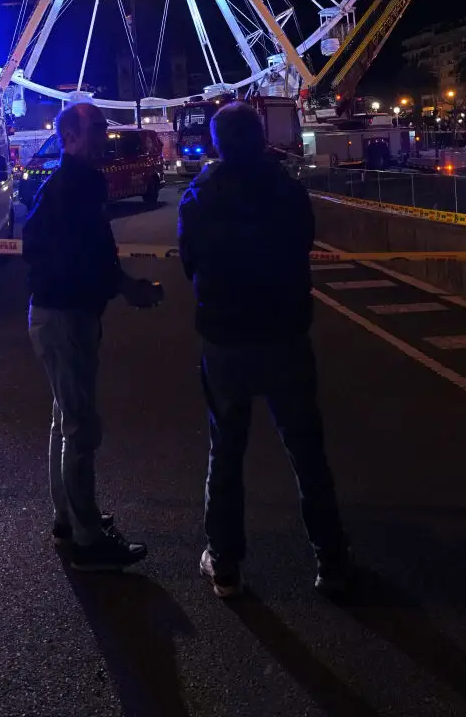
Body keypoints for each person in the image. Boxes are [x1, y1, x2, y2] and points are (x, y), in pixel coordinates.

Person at [178, 102, 351, 599]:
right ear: (259, 138)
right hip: (283, 333)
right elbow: (303, 243)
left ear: (216, 143)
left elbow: (191, 262)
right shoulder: (287, 189)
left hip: (226, 337)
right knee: (307, 452)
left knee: (226, 452)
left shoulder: (200, 195)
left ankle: (225, 561)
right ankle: (331, 559)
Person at [23, 102, 161, 572]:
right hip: (66, 318)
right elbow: (91, 257)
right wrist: (125, 288)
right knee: (80, 429)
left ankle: (70, 517)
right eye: (96, 127)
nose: (105, 134)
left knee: (65, 421)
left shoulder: (62, 186)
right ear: (70, 137)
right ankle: (87, 539)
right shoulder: (76, 188)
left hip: (57, 313)